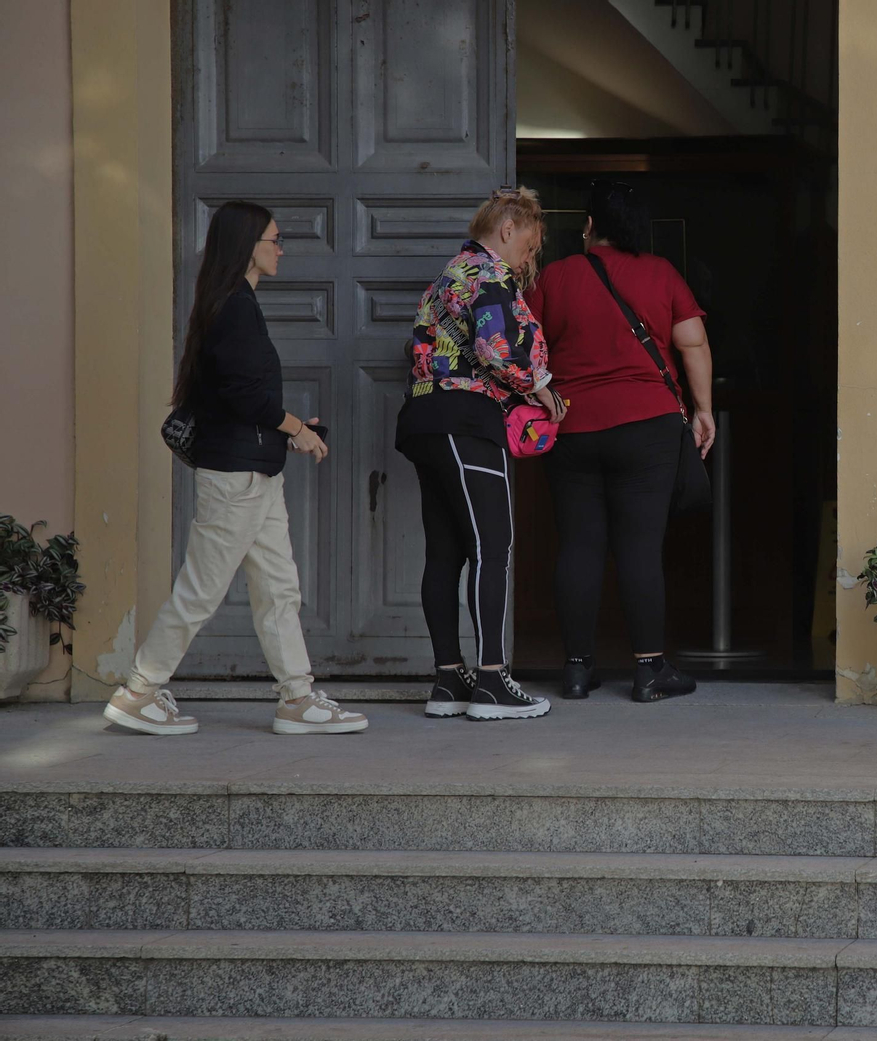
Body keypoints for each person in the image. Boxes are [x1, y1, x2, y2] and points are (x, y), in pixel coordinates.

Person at [102, 202, 366, 736]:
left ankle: (296, 697)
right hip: (237, 481)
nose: (280, 247)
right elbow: (245, 395)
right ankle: (139, 691)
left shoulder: (232, 303)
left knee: (279, 589)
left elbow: (236, 399)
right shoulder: (235, 307)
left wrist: (285, 427)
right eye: (274, 238)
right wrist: (296, 428)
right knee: (201, 591)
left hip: (254, 475)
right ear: (248, 244)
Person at [524, 180, 714, 703]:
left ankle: (578, 670)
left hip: (573, 428)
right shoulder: (661, 274)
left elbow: (526, 351)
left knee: (580, 545)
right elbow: (692, 342)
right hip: (647, 427)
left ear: (589, 226)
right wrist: (703, 410)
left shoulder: (555, 277)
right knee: (639, 548)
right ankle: (650, 670)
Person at [396, 186, 566, 722]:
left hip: (425, 420)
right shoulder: (488, 278)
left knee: (445, 552)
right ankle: (492, 680)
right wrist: (543, 389)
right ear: (508, 229)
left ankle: (449, 680)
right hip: (464, 421)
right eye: (530, 245)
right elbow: (497, 349)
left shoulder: (450, 274)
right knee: (494, 546)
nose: (530, 257)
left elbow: (420, 345)